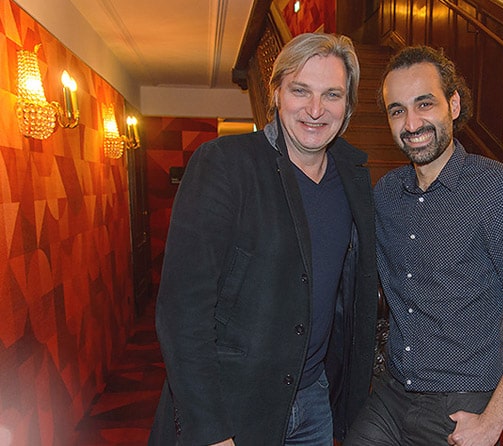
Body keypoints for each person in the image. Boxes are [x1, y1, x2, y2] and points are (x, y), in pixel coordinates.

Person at [149, 33, 379, 445]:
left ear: (348, 106)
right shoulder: (224, 164)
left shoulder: (354, 179)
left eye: (331, 95)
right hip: (233, 405)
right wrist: (210, 430)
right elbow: (182, 310)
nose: (315, 109)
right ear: (275, 93)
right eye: (300, 90)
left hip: (314, 402)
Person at [344, 46, 503, 446]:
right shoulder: (386, 194)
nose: (412, 123)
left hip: (462, 404)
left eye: (424, 104)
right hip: (390, 395)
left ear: (454, 104)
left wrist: (493, 420)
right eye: (397, 110)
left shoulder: (501, 192)